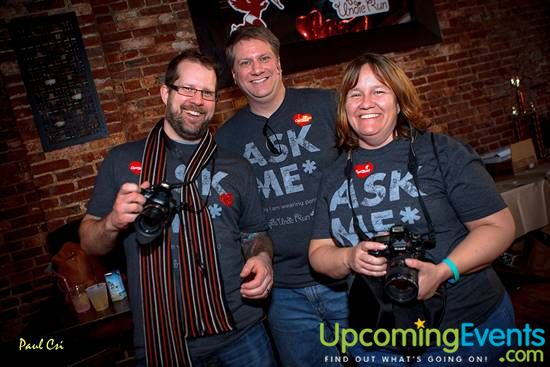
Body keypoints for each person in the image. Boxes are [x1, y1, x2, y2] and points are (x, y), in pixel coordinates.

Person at [309, 52, 517, 366]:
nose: (366, 102)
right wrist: (348, 257)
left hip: (467, 333)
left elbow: (499, 227)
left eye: (379, 91)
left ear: (399, 101)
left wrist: (444, 271)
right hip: (376, 342)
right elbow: (318, 251)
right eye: (356, 94)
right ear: (344, 108)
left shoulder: (442, 152)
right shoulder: (333, 175)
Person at [79, 50, 277, 366]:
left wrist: (263, 257)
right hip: (161, 341)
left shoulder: (236, 165)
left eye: (207, 93)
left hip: (241, 333)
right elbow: (89, 241)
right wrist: (113, 222)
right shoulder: (121, 161)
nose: (196, 100)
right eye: (187, 89)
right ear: (165, 93)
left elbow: (255, 231)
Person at [215, 26, 354, 366]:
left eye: (264, 58)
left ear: (278, 63)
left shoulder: (327, 106)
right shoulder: (225, 140)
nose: (257, 68)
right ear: (235, 75)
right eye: (245, 63)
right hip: (283, 294)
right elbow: (234, 219)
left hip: (349, 277)